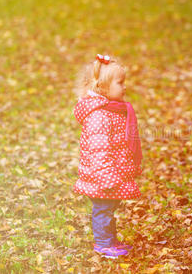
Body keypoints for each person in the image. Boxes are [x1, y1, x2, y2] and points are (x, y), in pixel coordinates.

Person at [73, 54, 143, 259]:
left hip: (112, 176)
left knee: (109, 210)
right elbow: (98, 152)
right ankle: (103, 243)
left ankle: (110, 240)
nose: (125, 87)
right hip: (102, 179)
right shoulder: (98, 116)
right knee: (103, 211)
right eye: (120, 83)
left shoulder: (111, 111)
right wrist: (107, 177)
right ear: (102, 87)